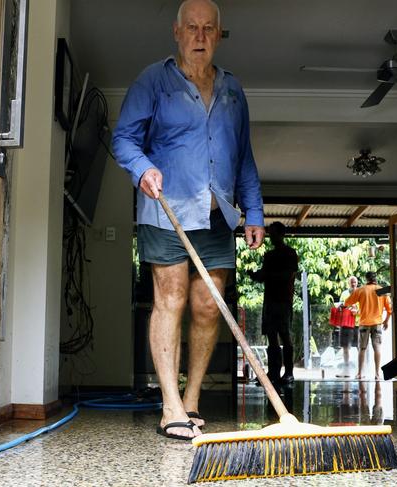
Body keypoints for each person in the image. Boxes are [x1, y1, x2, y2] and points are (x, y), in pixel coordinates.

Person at [112, 0, 264, 440]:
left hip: (217, 215)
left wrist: (252, 211)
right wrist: (143, 169)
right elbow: (123, 139)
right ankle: (170, 405)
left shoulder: (233, 90)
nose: (200, 36)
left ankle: (192, 399)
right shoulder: (153, 80)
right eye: (192, 28)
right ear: (177, 33)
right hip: (167, 211)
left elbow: (244, 158)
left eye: (208, 29)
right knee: (171, 299)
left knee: (207, 304)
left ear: (219, 35)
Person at [249, 222, 298, 385]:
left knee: (284, 335)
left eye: (274, 234)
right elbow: (264, 276)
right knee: (272, 337)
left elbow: (288, 275)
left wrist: (266, 275)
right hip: (271, 301)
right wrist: (255, 275)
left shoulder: (289, 253)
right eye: (271, 234)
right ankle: (274, 372)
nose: (272, 238)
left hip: (283, 300)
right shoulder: (270, 256)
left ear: (281, 235)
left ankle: (288, 372)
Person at [343, 271, 392, 380]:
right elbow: (390, 309)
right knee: (377, 348)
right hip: (377, 323)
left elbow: (346, 303)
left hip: (364, 323)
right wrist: (386, 321)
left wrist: (355, 308)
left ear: (366, 279)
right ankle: (377, 374)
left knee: (362, 348)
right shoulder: (381, 290)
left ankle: (360, 373)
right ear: (375, 278)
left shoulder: (361, 290)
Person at [336, 276, 360, 378]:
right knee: (345, 347)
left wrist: (357, 310)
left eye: (355, 282)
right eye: (351, 282)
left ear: (357, 283)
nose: (353, 284)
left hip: (358, 323)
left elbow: (364, 308)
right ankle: (346, 371)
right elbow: (340, 306)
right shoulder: (344, 294)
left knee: (360, 348)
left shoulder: (360, 293)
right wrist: (343, 307)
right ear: (348, 283)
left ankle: (360, 371)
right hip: (346, 323)